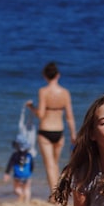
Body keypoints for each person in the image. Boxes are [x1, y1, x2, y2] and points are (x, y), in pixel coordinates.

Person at [26, 62, 76, 195]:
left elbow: (41, 114)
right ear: (58, 75)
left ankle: (54, 196)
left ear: (45, 76)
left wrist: (31, 107)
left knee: (49, 165)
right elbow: (69, 117)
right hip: (59, 131)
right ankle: (60, 192)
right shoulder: (65, 93)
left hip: (45, 130)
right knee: (55, 164)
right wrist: (73, 134)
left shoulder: (43, 91)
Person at [4, 135, 35, 203]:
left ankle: (21, 194)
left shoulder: (15, 155)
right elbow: (32, 165)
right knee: (27, 189)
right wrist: (30, 172)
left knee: (16, 189)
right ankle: (26, 202)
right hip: (27, 176)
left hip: (18, 176)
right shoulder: (29, 155)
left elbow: (10, 165)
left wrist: (7, 173)